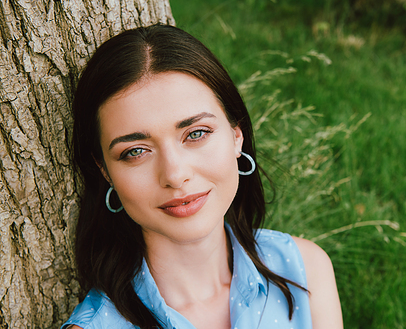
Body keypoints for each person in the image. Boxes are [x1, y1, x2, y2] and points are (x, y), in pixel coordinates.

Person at [63, 24, 342, 329]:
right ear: (105, 170)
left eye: (196, 133)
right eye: (136, 151)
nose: (175, 174)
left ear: (236, 135)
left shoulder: (304, 269)